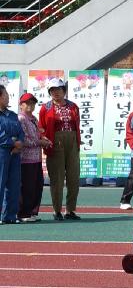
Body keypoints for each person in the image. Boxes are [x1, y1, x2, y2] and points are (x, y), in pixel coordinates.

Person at [38, 78, 81, 221]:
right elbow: (42, 128)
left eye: (58, 89)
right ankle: (57, 210)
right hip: (55, 142)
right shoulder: (46, 107)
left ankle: (70, 210)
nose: (56, 92)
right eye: (52, 90)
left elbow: (77, 125)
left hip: (72, 141)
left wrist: (76, 142)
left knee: (74, 177)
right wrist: (46, 140)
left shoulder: (73, 106)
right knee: (57, 178)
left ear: (64, 90)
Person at [17, 93, 50, 222]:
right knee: (27, 187)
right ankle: (24, 213)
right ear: (21, 105)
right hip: (25, 159)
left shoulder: (34, 119)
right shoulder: (21, 119)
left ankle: (32, 212)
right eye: (27, 103)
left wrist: (44, 139)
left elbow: (38, 135)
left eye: (33, 103)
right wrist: (39, 142)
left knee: (37, 185)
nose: (31, 105)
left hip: (36, 158)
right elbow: (23, 140)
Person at [0, 85, 24, 224]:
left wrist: (19, 143)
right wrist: (12, 142)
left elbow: (20, 132)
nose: (8, 97)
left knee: (14, 184)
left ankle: (10, 215)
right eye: (5, 94)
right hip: (2, 151)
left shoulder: (13, 115)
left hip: (14, 153)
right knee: (0, 183)